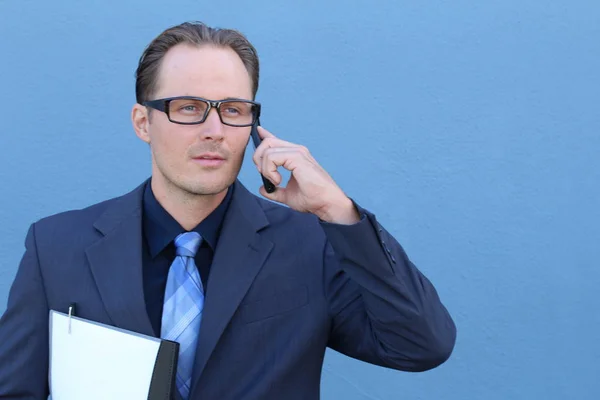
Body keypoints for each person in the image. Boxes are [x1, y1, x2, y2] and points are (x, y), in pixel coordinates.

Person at [0, 21, 456, 399]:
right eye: (189, 107)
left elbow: (421, 346)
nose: (214, 129)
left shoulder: (311, 244)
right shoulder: (55, 246)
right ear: (144, 122)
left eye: (233, 110)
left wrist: (337, 210)